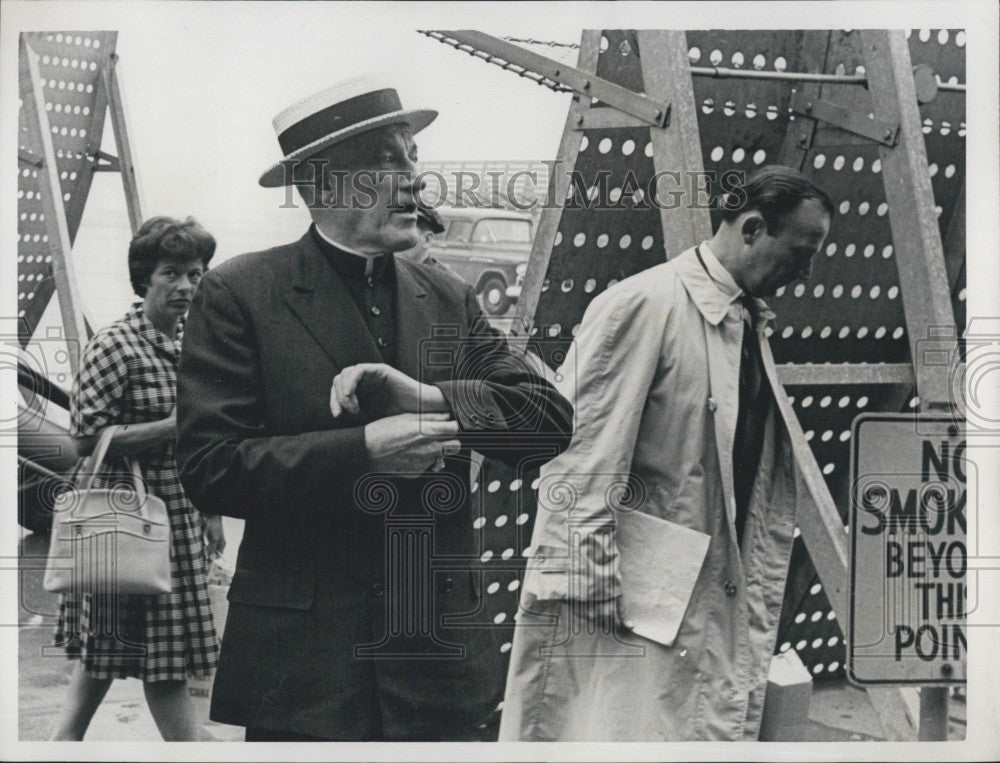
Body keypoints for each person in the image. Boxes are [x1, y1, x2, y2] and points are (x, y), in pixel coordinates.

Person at [175, 78, 573, 742]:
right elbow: (211, 468)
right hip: (307, 671)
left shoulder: (448, 296)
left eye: (413, 157)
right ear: (322, 184)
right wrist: (362, 452)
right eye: (391, 160)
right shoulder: (240, 292)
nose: (416, 179)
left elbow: (550, 421)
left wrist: (435, 398)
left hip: (435, 660)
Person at [499, 165, 834, 741]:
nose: (804, 273)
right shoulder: (644, 304)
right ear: (752, 227)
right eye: (801, 253)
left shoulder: (744, 321)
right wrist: (597, 597)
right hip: (624, 612)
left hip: (686, 606)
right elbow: (580, 460)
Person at [50, 216, 222, 741]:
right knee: (165, 662)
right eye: (172, 273)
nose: (186, 286)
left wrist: (211, 513)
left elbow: (204, 439)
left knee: (107, 651)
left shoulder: (193, 342)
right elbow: (84, 442)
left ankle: (63, 741)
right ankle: (187, 747)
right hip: (125, 518)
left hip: (179, 512)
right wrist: (175, 425)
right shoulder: (115, 345)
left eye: (195, 274)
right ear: (144, 278)